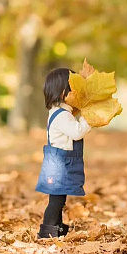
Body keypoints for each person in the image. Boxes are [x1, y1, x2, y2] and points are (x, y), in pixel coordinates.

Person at [35, 68, 92, 239]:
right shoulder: (62, 116)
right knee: (56, 200)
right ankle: (48, 231)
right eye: (74, 89)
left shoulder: (60, 112)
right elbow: (76, 132)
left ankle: (57, 227)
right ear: (63, 92)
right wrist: (89, 118)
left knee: (59, 198)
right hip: (60, 164)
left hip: (60, 161)